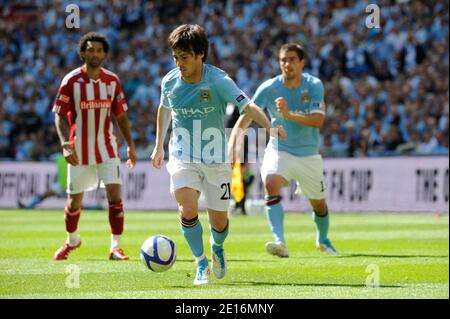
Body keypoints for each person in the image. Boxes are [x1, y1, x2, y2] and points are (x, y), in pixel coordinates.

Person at [150, 24, 285, 285]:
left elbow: (248, 106)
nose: (179, 63)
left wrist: (270, 127)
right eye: (175, 57)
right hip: (182, 155)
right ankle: (201, 263)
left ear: (200, 54)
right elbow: (163, 109)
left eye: (185, 57)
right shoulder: (169, 81)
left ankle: (217, 248)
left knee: (219, 223)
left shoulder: (218, 80)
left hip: (215, 159)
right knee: (187, 208)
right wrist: (159, 146)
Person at [230, 43, 337, 258]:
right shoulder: (268, 88)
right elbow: (247, 114)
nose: (287, 64)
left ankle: (323, 239)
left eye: (292, 60)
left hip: (308, 153)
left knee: (319, 205)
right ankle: (280, 241)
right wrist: (234, 141)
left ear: (302, 62)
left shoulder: (314, 85)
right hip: (280, 149)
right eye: (283, 60)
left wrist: (287, 115)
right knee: (271, 183)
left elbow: (318, 121)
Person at [52, 32, 136, 261]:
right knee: (74, 201)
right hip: (79, 149)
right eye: (90, 49)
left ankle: (115, 247)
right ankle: (72, 240)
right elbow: (58, 116)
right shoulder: (71, 81)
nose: (95, 53)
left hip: (107, 147)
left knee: (115, 195)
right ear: (82, 53)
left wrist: (130, 145)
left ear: (105, 54)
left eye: (99, 50)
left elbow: (121, 117)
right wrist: (65, 144)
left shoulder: (112, 81)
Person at [17, 154, 104, 210]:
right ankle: (28, 207)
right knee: (44, 195)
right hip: (61, 185)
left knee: (79, 206)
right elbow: (45, 159)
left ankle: (96, 207)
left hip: (72, 185)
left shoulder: (75, 156)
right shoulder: (58, 157)